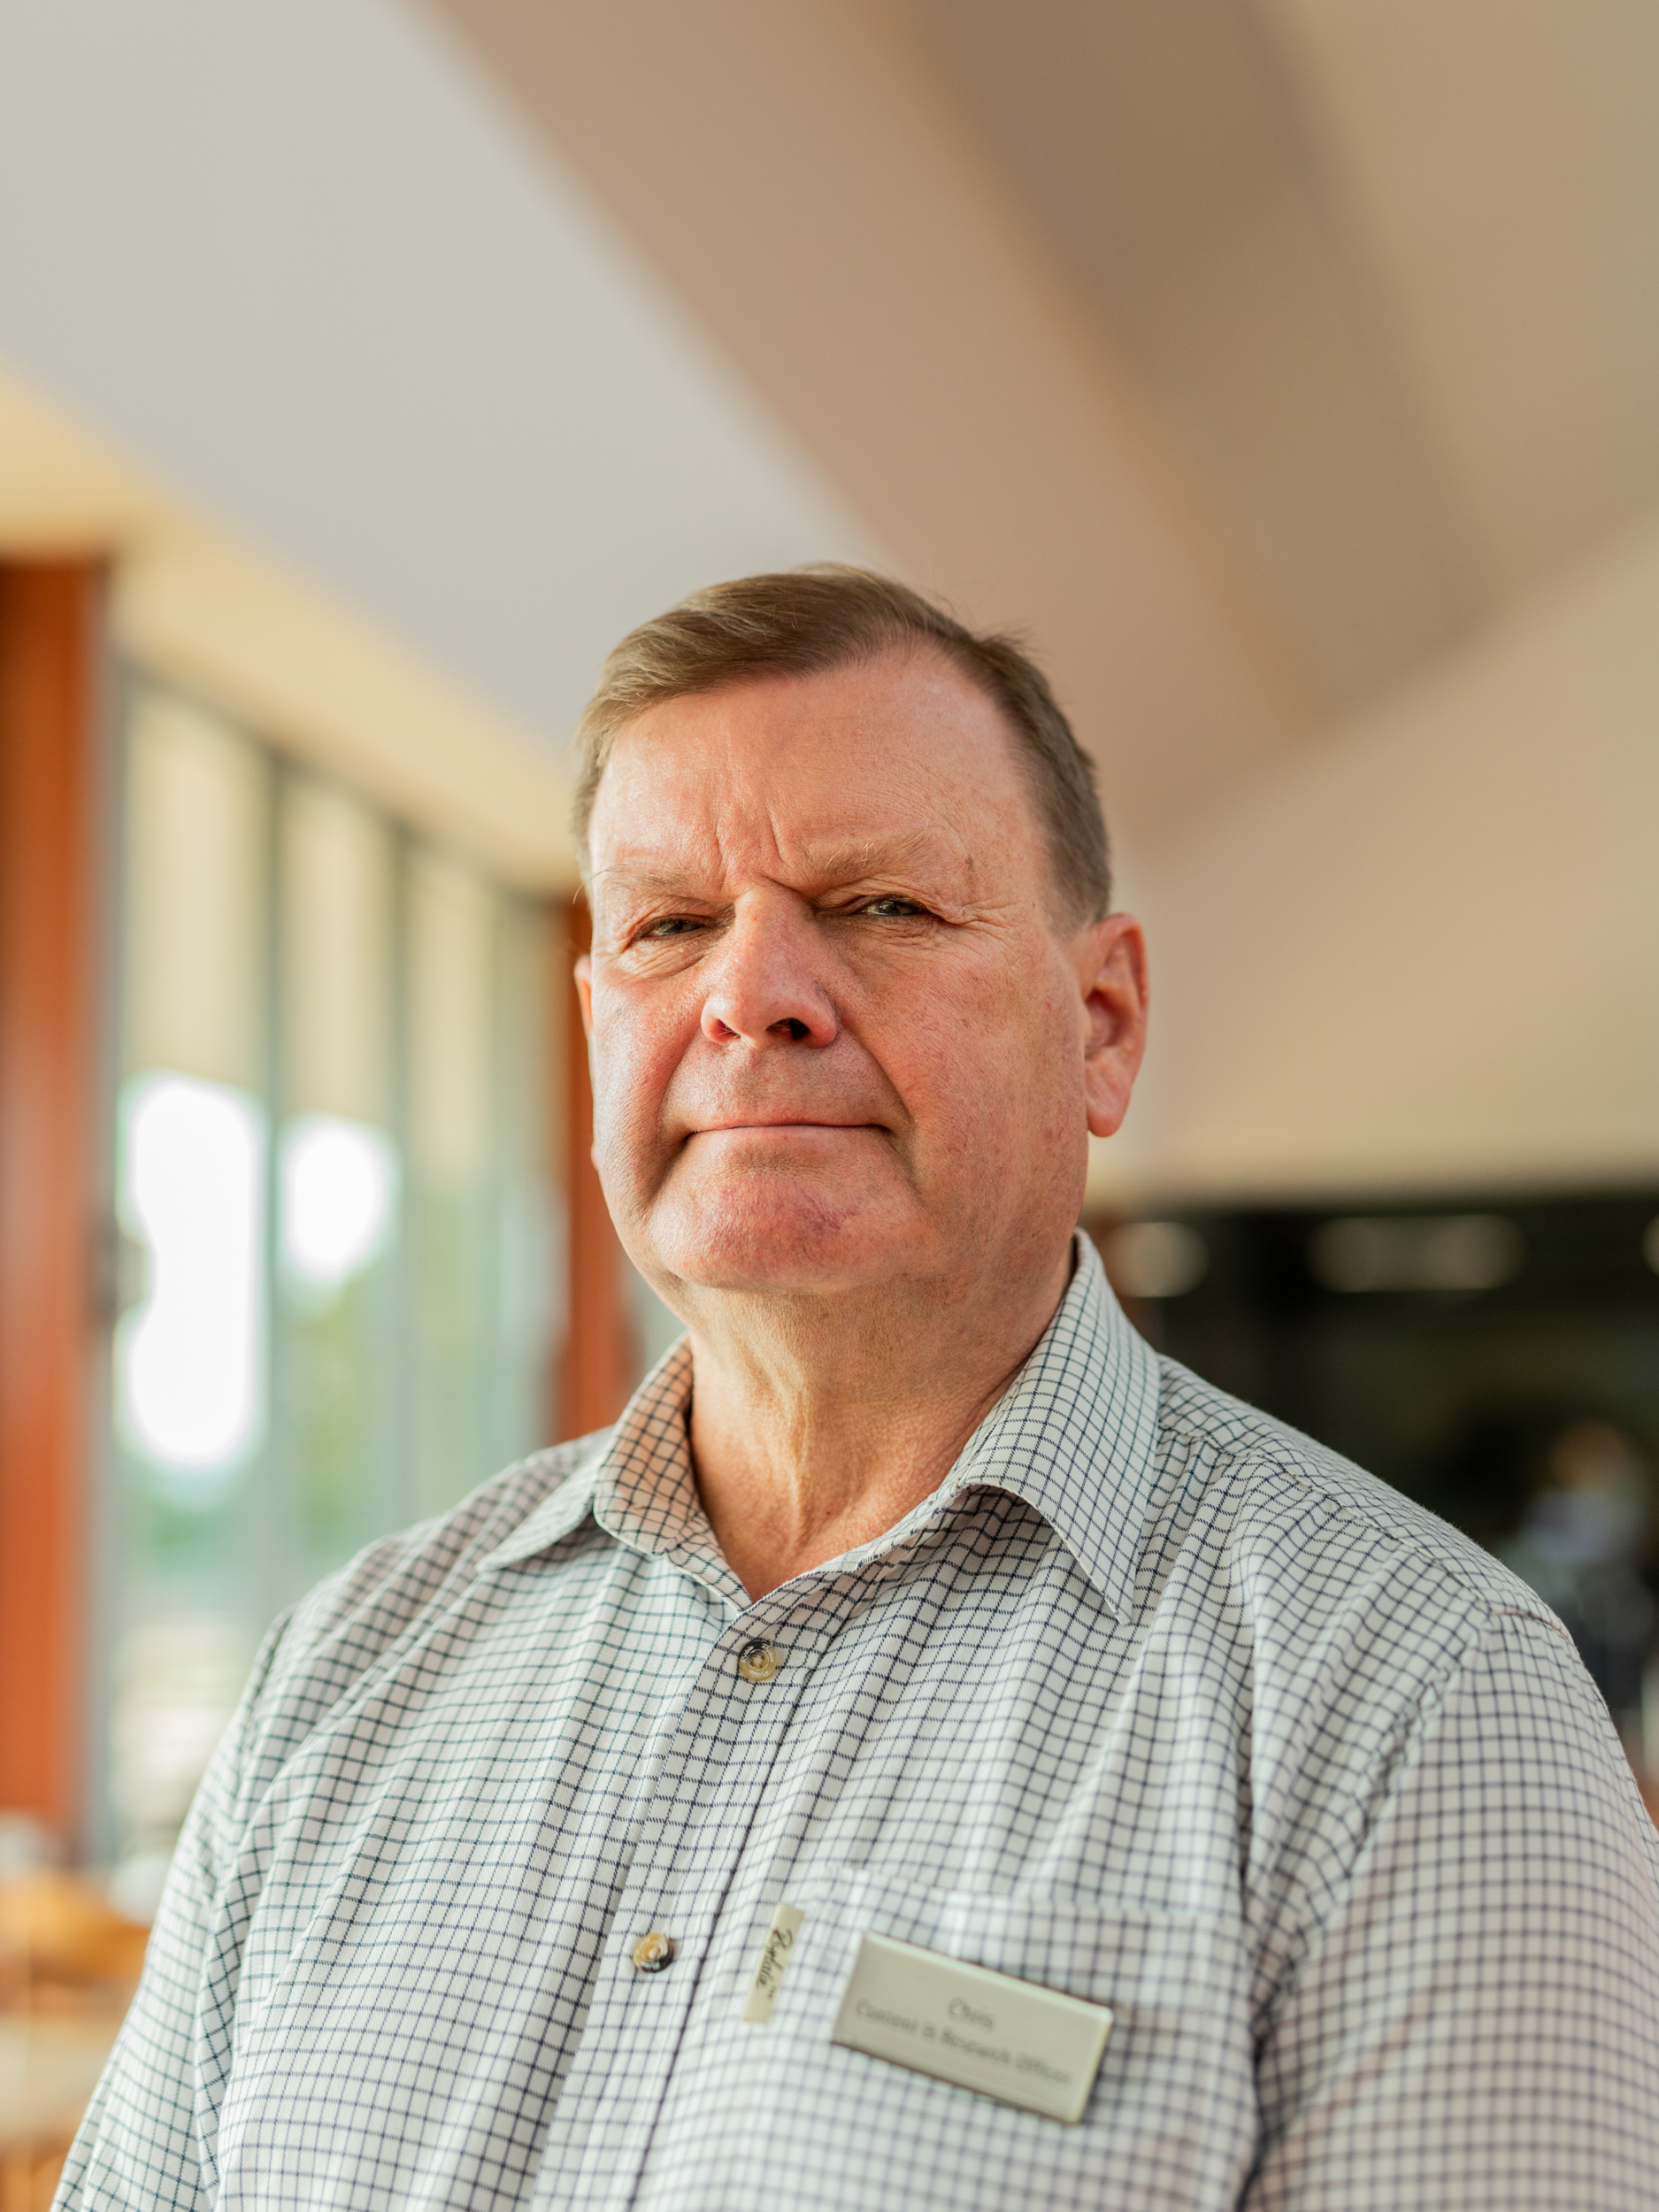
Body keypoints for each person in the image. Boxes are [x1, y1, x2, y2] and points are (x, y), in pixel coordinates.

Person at [61, 568, 1659, 2211]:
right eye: (669, 926)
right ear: (598, 1021)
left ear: (1103, 1025)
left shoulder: (1420, 1706)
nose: (751, 996)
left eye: (881, 905)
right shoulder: (348, 1669)